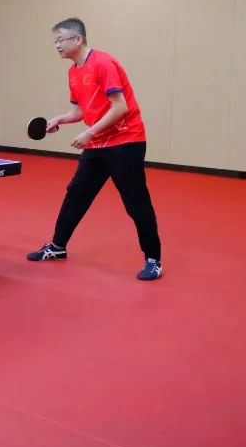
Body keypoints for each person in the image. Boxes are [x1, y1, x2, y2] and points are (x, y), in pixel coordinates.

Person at [26, 18, 163, 281]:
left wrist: (89, 132)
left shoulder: (103, 63)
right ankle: (57, 246)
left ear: (77, 39)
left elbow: (120, 106)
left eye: (60, 40)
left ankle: (153, 259)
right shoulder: (73, 71)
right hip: (98, 143)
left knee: (135, 202)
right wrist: (59, 120)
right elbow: (79, 110)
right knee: (77, 194)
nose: (57, 45)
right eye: (55, 41)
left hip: (125, 141)